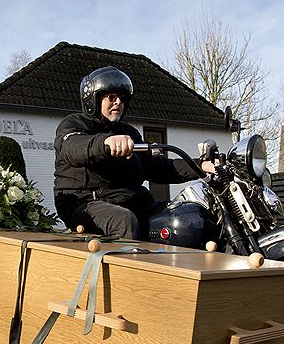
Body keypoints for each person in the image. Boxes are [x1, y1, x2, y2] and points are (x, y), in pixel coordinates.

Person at [53, 66, 212, 239]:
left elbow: (157, 167)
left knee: (185, 215)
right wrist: (105, 142)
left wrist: (201, 166)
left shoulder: (129, 132)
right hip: (84, 203)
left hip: (130, 200)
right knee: (124, 221)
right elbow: (74, 147)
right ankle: (130, 266)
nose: (118, 102)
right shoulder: (74, 124)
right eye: (111, 97)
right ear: (93, 99)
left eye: (122, 98)